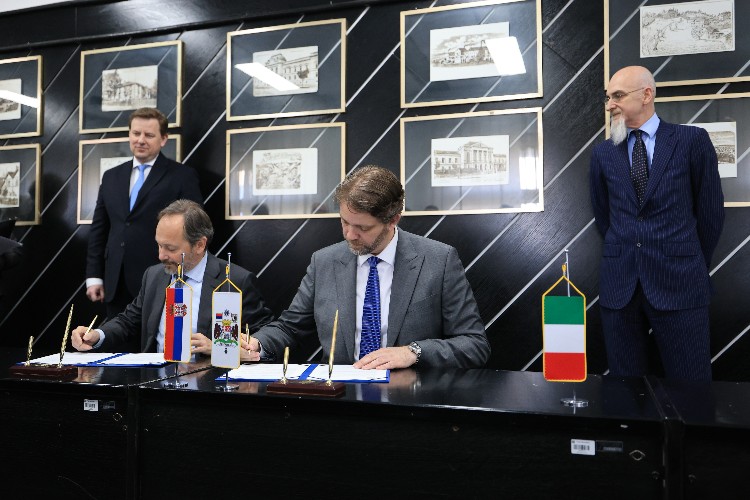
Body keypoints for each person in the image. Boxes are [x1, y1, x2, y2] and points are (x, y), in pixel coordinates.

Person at [246, 165, 490, 369]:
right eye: (344, 222)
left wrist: (413, 352)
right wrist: (255, 344)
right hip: (341, 398)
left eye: (363, 228)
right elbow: (290, 327)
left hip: (410, 397)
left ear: (393, 219)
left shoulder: (439, 260)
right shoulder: (324, 262)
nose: (349, 235)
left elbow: (474, 344)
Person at [589, 66, 724, 381]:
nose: (610, 105)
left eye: (618, 96)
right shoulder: (603, 153)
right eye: (608, 98)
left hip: (680, 283)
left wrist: (689, 261)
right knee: (625, 387)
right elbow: (603, 214)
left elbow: (710, 213)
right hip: (620, 287)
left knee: (690, 384)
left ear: (646, 95)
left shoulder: (691, 140)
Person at [72, 199, 274, 359]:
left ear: (199, 245)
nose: (161, 256)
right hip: (154, 380)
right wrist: (97, 335)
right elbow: (128, 321)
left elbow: (261, 337)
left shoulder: (235, 281)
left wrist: (219, 348)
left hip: (210, 382)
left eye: (170, 248)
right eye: (159, 245)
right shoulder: (154, 275)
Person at [85, 107, 203, 320]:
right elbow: (99, 229)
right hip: (116, 282)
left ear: (163, 139)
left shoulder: (182, 176)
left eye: (149, 135)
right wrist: (94, 276)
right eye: (136, 133)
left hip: (163, 276)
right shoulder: (111, 176)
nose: (140, 140)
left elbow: (194, 229)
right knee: (116, 336)